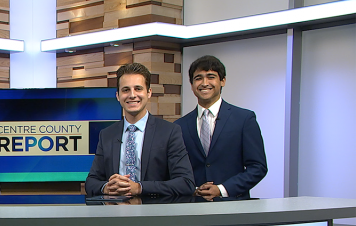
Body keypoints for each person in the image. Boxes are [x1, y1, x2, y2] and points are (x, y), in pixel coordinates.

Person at [85, 63, 195, 197]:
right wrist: (107, 188)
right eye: (125, 90)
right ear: (118, 95)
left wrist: (139, 187)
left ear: (149, 93)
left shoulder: (169, 132)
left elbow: (185, 183)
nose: (132, 95)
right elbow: (91, 182)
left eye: (138, 89)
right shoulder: (107, 134)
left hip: (154, 212)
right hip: (115, 213)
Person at [175, 55, 267, 200]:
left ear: (222, 81)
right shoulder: (179, 126)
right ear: (192, 84)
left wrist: (221, 189)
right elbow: (175, 171)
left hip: (233, 206)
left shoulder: (244, 119)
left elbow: (258, 167)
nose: (204, 83)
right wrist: (192, 189)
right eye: (198, 78)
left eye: (211, 77)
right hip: (192, 207)